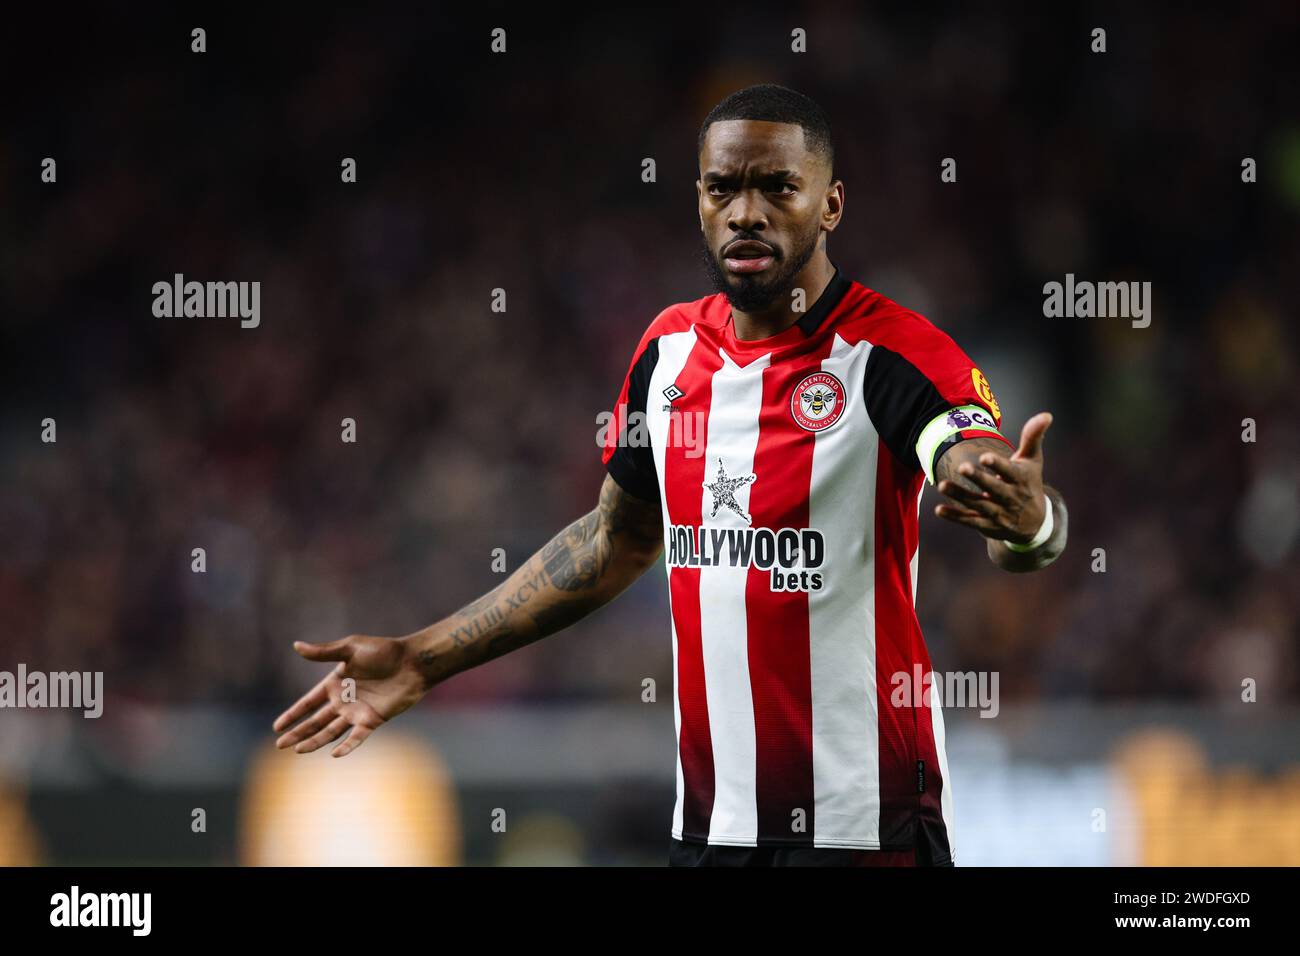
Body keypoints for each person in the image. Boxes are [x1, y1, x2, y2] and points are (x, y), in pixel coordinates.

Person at [272, 84, 1068, 867]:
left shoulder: (894, 355)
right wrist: (421, 659)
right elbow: (613, 543)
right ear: (697, 199)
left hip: (868, 831)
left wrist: (1028, 519)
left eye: (777, 187)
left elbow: (977, 468)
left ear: (830, 205)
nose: (746, 212)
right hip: (714, 832)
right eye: (723, 187)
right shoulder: (667, 352)